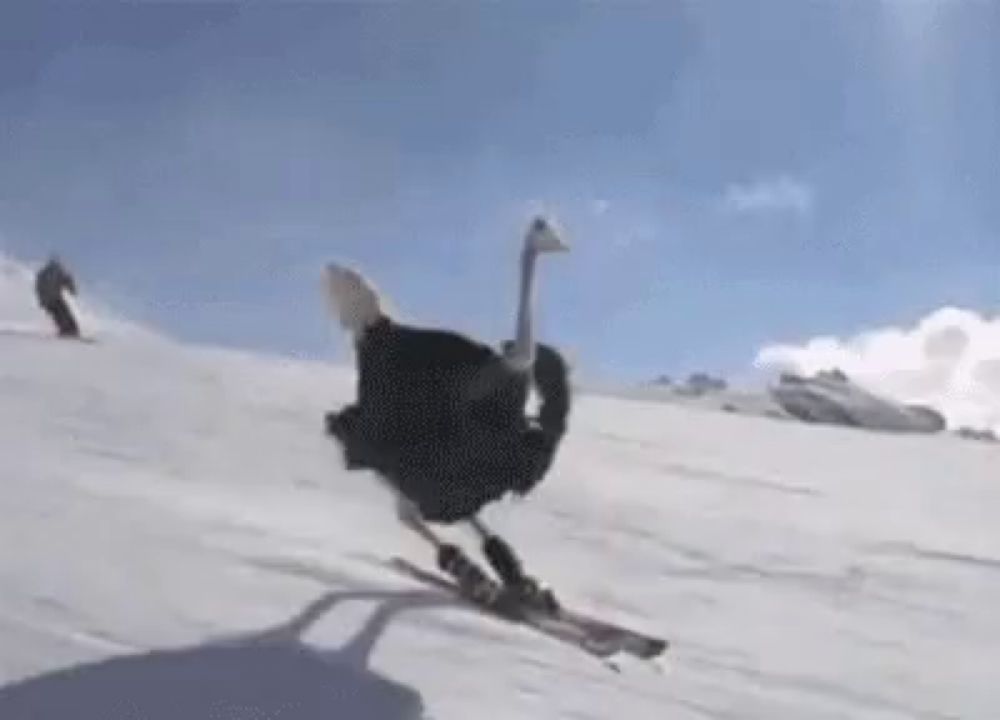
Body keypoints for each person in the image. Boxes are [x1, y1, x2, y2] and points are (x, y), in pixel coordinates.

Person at [34, 255, 80, 338]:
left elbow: (38, 287)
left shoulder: (42, 273)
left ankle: (64, 330)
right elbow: (67, 280)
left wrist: (41, 301)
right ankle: (71, 331)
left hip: (46, 300)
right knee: (65, 313)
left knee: (57, 315)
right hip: (55, 298)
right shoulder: (58, 271)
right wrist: (73, 290)